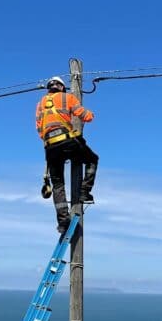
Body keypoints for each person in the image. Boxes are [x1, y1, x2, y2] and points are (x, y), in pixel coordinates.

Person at [36, 76, 99, 234]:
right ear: (62, 87)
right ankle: (84, 191)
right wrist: (90, 114)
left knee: (58, 185)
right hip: (68, 142)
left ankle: (63, 222)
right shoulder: (67, 97)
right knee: (92, 159)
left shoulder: (40, 104)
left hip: (50, 147)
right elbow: (86, 116)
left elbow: (39, 129)